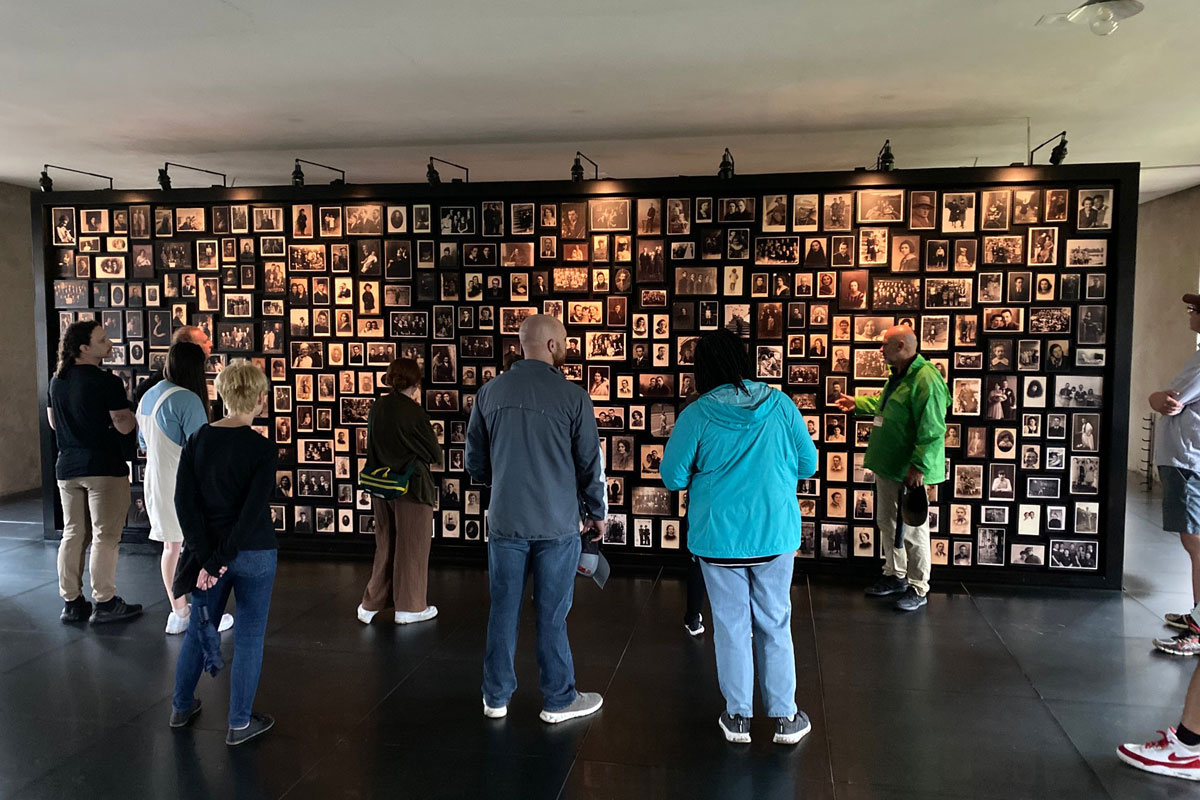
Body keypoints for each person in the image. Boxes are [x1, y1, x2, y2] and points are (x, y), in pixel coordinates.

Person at [661, 329, 818, 745]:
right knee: (775, 622)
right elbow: (808, 464)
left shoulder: (696, 415)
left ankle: (738, 718)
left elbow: (673, 478)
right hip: (774, 533)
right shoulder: (781, 405)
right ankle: (785, 717)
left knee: (730, 626)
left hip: (718, 537)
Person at [466, 315, 607, 724]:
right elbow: (589, 464)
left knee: (503, 609)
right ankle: (558, 698)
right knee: (551, 613)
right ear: (549, 345)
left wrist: (507, 477)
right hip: (557, 523)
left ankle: (495, 697)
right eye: (562, 340)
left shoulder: (489, 393)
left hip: (506, 520)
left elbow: (475, 461)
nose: (565, 346)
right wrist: (596, 513)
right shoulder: (574, 396)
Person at [171, 359, 278, 746]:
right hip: (254, 553)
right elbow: (251, 513)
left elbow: (185, 503)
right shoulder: (263, 449)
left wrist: (207, 557)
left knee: (200, 632)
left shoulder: (198, 439)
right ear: (260, 399)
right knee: (250, 637)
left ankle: (181, 706)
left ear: (221, 394)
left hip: (208, 557)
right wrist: (221, 556)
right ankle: (238, 722)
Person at [837, 326, 951, 612]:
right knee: (887, 522)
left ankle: (918, 586)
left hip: (909, 471)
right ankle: (896, 574)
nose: (880, 349)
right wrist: (859, 403)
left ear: (901, 345)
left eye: (884, 344)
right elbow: (886, 407)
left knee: (913, 529)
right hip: (889, 466)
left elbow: (934, 429)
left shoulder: (926, 380)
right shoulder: (900, 375)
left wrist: (919, 467)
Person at [48, 320, 142, 624]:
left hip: (68, 467)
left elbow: (53, 422)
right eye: (102, 340)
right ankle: (104, 601)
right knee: (106, 535)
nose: (110, 344)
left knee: (73, 533)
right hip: (104, 467)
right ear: (84, 348)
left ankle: (72, 602)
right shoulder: (107, 382)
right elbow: (123, 422)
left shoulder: (57, 381)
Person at [136, 342, 233, 636]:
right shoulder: (187, 399)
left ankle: (179, 610)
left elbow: (142, 444)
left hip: (154, 479)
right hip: (182, 481)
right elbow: (199, 445)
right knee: (197, 546)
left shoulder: (148, 396)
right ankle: (201, 614)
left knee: (171, 547)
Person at [356, 359, 443, 625]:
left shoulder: (378, 406)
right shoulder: (414, 412)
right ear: (416, 382)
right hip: (411, 486)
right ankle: (410, 607)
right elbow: (434, 454)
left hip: (381, 486)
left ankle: (370, 605)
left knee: (386, 543)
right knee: (413, 546)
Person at [1145, 294, 1200, 658]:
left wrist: (1156, 397)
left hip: (1188, 461)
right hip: (1187, 459)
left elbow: (1169, 400)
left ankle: (1199, 627)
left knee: (1196, 542)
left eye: (1195, 309)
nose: (1191, 314)